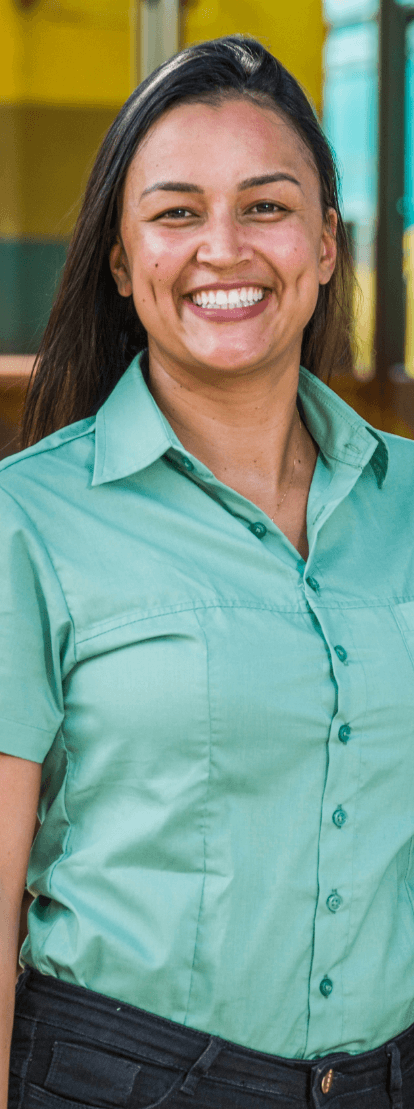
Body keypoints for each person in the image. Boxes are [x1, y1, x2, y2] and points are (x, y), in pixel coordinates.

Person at [1, 33, 414, 1109]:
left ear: (327, 246)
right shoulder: (29, 521)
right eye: (177, 212)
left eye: (267, 207)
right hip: (119, 1079)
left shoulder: (409, 503)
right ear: (123, 262)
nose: (223, 248)